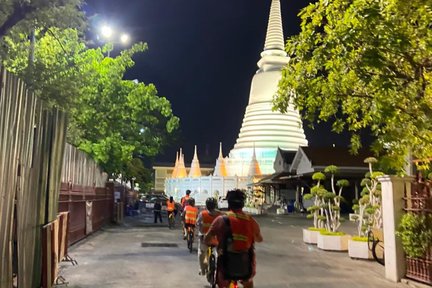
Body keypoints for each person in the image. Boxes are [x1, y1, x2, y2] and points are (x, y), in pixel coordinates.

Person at [204, 189, 263, 288]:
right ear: (243, 204)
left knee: (222, 283)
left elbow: (207, 239)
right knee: (248, 282)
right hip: (246, 267)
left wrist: (216, 243)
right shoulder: (250, 220)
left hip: (226, 268)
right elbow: (259, 239)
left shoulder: (221, 220)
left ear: (229, 204)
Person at [196, 197, 222, 275]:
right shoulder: (220, 214)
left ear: (206, 205)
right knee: (220, 253)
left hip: (204, 239)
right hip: (216, 239)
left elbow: (197, 223)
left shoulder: (202, 214)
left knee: (201, 252)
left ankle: (203, 270)